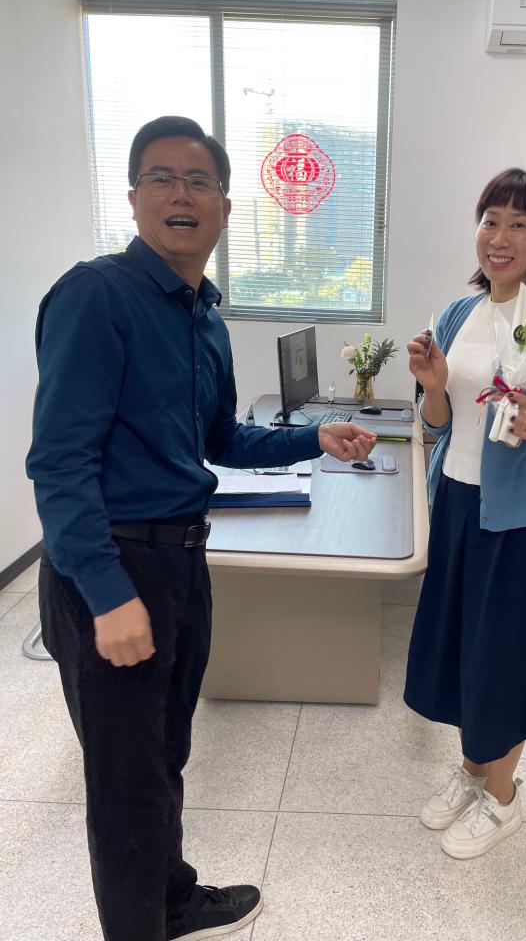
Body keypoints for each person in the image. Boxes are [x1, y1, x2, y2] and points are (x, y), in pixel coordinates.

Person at [26, 115, 376, 941]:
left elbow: (220, 440)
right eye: (160, 178)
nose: (179, 194)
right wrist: (108, 595)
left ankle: (172, 897)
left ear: (223, 205)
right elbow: (60, 464)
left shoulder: (204, 318)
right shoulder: (97, 296)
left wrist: (315, 438)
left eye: (198, 181)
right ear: (133, 198)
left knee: (163, 755)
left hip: (183, 563)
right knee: (126, 784)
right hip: (115, 565)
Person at [404, 168, 526, 860]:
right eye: (491, 219)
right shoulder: (457, 314)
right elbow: (439, 422)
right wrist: (433, 387)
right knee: (465, 649)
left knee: (506, 659)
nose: (501, 236)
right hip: (457, 506)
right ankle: (471, 769)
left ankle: (504, 796)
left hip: (518, 524)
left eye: (520, 223)